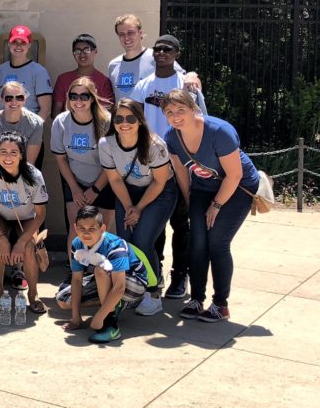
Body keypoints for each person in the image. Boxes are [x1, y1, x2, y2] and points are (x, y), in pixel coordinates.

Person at [162, 89, 261, 323]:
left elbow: (234, 175)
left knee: (217, 241)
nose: (175, 116)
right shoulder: (171, 136)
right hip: (203, 188)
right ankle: (196, 299)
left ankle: (220, 304)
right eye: (169, 112)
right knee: (197, 243)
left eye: (180, 110)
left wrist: (216, 206)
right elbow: (181, 171)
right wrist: (189, 201)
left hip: (237, 187)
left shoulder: (220, 131)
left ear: (193, 109)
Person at [130, 34, 205, 299]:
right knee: (156, 225)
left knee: (181, 224)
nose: (161, 52)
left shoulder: (186, 84)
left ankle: (180, 276)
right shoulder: (143, 85)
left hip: (181, 163)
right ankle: (155, 272)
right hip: (153, 164)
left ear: (177, 53)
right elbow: (134, 120)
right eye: (158, 48)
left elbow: (201, 120)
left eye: (168, 49)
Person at [98, 98, 177, 316]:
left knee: (142, 240)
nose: (125, 123)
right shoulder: (106, 144)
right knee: (125, 241)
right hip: (128, 192)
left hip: (159, 193)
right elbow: (114, 180)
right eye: (119, 118)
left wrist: (138, 209)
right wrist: (128, 207)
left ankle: (153, 291)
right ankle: (132, 288)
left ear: (140, 121)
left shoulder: (154, 144)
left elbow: (160, 182)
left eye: (131, 118)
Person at [58, 205, 153, 344]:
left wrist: (99, 317)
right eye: (81, 229)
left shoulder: (115, 245)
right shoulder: (77, 244)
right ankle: (114, 303)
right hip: (107, 280)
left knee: (100, 270)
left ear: (102, 229)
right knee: (63, 300)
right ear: (75, 228)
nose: (86, 234)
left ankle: (111, 325)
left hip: (134, 283)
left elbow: (120, 287)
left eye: (92, 229)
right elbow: (77, 280)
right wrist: (76, 318)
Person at [0, 131, 48, 314]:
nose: (7, 157)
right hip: (0, 215)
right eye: (3, 151)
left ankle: (33, 294)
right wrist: (2, 238)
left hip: (26, 217)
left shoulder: (34, 175)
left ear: (21, 154)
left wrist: (21, 241)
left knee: (28, 248)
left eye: (13, 152)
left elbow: (40, 214)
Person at [51, 77, 112, 251]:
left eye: (84, 96)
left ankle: (97, 275)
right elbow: (60, 158)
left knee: (99, 233)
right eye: (73, 96)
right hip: (74, 180)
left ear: (92, 98)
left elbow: (112, 163)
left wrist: (95, 190)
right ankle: (76, 275)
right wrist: (75, 189)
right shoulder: (61, 122)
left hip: (104, 182)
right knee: (76, 231)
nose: (78, 101)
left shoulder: (106, 121)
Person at [108, 14, 200, 101]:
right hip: (124, 118)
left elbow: (185, 79)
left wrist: (192, 76)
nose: (126, 37)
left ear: (140, 33)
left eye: (130, 33)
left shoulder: (157, 57)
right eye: (122, 34)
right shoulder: (113, 65)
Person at [0, 25, 52, 121]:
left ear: (29, 45)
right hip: (3, 129)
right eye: (15, 42)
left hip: (27, 128)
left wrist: (33, 129)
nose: (18, 46)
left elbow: (46, 109)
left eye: (23, 42)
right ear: (9, 44)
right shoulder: (0, 70)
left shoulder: (39, 71)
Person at [0, 82, 43, 166]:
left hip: (22, 171)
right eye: (9, 98)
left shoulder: (35, 123)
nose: (14, 102)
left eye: (19, 98)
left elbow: (29, 163)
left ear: (25, 100)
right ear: (1, 99)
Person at [52, 34, 114, 117]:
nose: (82, 55)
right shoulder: (63, 79)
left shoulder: (104, 81)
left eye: (86, 50)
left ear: (95, 51)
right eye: (77, 51)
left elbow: (107, 114)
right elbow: (56, 113)